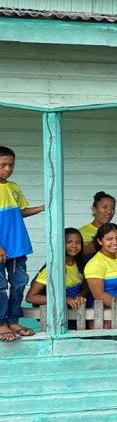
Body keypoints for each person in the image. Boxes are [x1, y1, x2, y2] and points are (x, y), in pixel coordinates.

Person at [0, 146, 44, 341]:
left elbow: (20, 212)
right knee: (0, 286)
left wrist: (43, 208)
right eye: (3, 165)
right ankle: (1, 323)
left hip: (17, 246)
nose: (8, 169)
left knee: (18, 283)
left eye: (11, 165)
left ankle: (13, 319)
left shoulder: (13, 187)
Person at [25, 228, 88, 314]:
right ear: (61, 243)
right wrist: (64, 299)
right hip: (55, 316)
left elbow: (86, 289)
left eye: (78, 242)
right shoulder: (52, 268)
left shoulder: (80, 264)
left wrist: (80, 296)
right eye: (69, 242)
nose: (74, 246)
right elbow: (30, 297)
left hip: (76, 313)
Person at [84, 223, 117, 308]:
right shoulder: (95, 264)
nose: (115, 242)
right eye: (109, 239)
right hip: (107, 313)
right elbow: (99, 296)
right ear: (100, 241)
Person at [80, 191, 117, 257]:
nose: (109, 211)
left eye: (112, 208)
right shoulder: (82, 232)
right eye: (104, 207)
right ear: (94, 210)